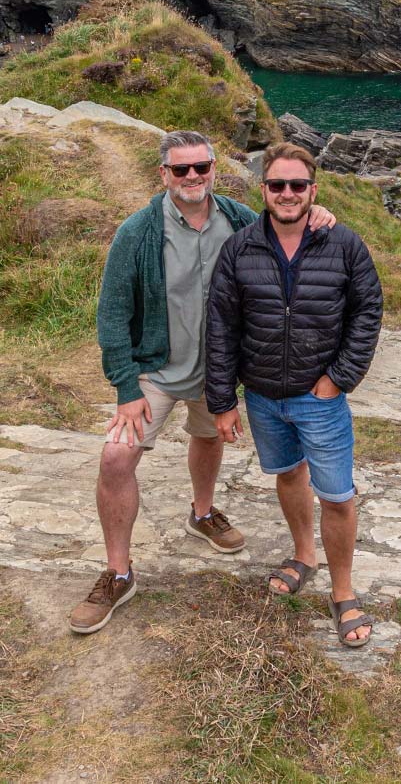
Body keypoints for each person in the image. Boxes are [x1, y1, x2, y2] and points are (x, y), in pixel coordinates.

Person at [67, 130, 336, 635]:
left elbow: (290, 219)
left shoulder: (238, 220)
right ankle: (118, 572)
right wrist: (126, 388)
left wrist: (320, 216)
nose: (193, 177)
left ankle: (203, 512)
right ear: (163, 174)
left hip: (219, 371)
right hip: (155, 370)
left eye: (201, 167)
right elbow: (112, 314)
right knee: (115, 457)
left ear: (215, 168)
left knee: (207, 437)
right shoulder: (137, 232)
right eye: (180, 169)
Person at [208, 142, 384, 648]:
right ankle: (304, 555)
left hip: (320, 397)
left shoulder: (344, 244)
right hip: (262, 396)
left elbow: (367, 312)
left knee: (337, 494)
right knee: (288, 474)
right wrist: (222, 400)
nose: (287, 193)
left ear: (313, 190)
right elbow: (220, 326)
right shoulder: (240, 247)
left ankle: (343, 592)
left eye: (298, 185)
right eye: (277, 185)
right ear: (263, 189)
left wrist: (339, 379)